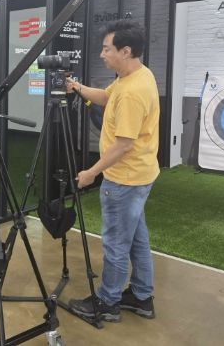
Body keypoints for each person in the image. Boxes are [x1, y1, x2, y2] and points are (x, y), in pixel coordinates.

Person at [67, 21, 159, 323]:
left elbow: (123, 144)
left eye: (107, 49)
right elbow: (106, 97)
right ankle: (142, 297)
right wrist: (78, 87)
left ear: (126, 51)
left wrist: (91, 172)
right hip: (140, 175)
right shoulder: (135, 75)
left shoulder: (132, 91)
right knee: (136, 240)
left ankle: (107, 303)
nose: (102, 54)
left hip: (124, 178)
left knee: (117, 244)